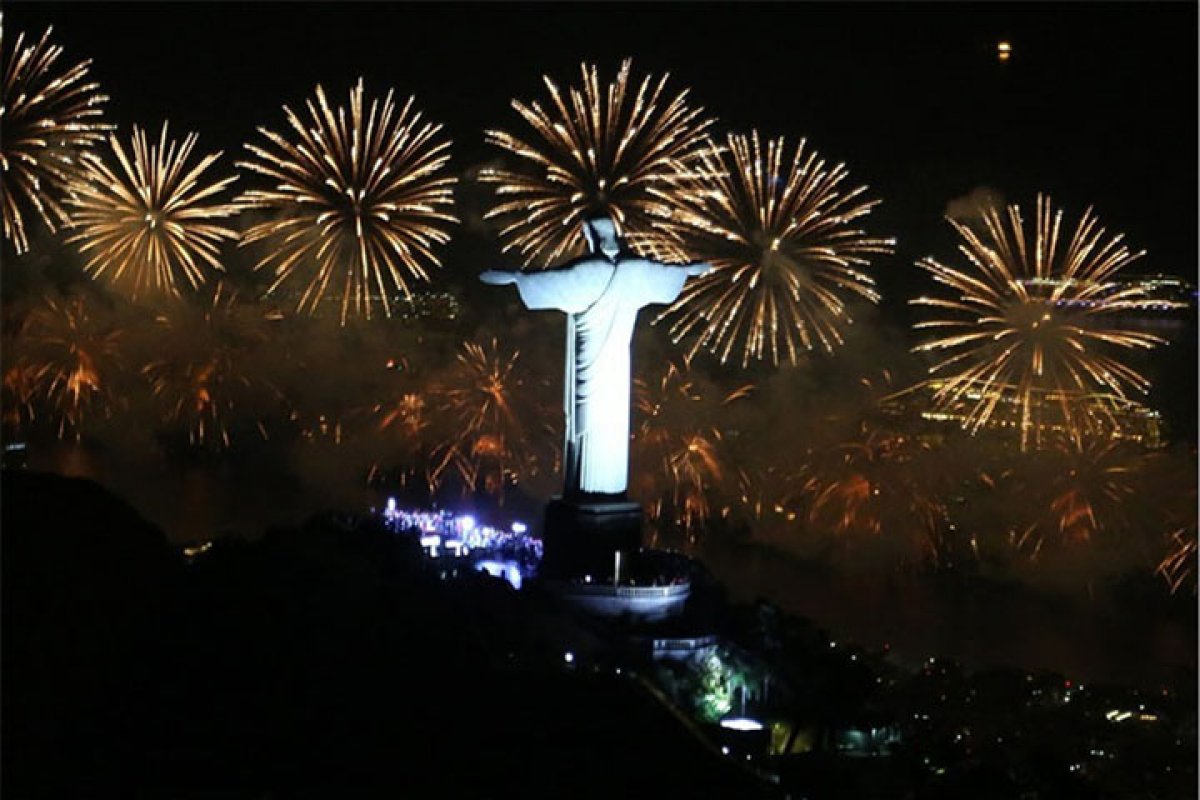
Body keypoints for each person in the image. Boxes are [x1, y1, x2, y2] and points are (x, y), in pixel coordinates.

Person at [481, 217, 710, 497]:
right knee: (610, 420)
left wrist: (516, 277)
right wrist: (690, 270)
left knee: (586, 418)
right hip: (616, 366)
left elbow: (547, 282)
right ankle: (607, 486)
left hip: (590, 361)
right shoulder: (636, 271)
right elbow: (669, 273)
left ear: (590, 237)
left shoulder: (588, 272)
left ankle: (589, 488)